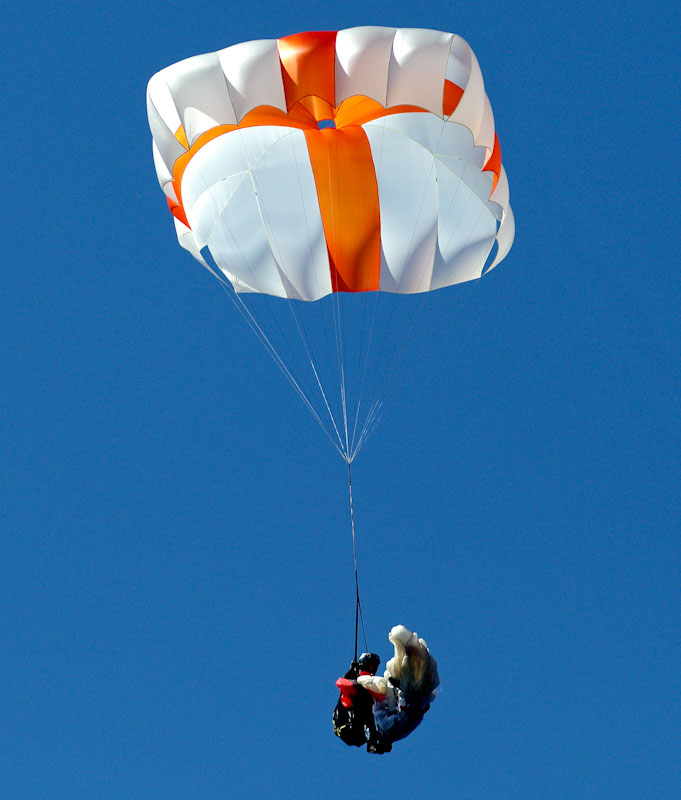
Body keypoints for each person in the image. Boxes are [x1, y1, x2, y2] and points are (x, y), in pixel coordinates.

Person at [333, 625, 439, 754]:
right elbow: (344, 687)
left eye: (374, 665)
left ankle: (374, 738)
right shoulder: (358, 686)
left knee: (383, 691)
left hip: (379, 720)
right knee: (372, 703)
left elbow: (379, 692)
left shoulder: (367, 685)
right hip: (353, 727)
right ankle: (373, 739)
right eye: (371, 665)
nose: (373, 668)